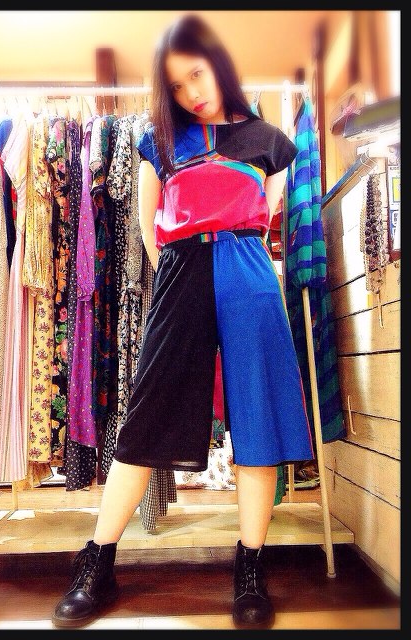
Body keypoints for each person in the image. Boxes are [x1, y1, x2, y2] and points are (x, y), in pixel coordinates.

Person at [52, 12, 314, 630]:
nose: (191, 92)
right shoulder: (158, 140)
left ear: (217, 64)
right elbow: (149, 228)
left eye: (196, 74)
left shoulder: (269, 141)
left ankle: (250, 567)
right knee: (146, 415)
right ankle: (98, 561)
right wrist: (179, 277)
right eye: (176, 84)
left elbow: (262, 218)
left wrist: (232, 256)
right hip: (180, 272)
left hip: (249, 272)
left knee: (257, 414)